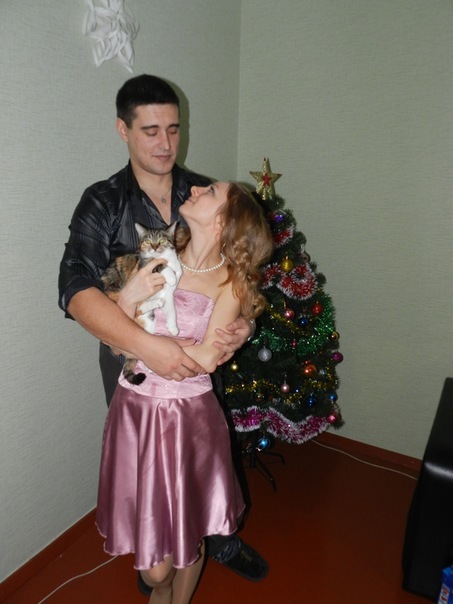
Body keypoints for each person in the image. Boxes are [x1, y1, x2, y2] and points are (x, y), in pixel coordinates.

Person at [58, 74, 268, 594]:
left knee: (199, 465)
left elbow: (239, 276)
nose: (166, 143)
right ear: (123, 130)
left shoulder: (200, 192)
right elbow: (74, 289)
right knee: (147, 467)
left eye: (173, 129)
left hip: (196, 374)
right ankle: (156, 549)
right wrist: (149, 346)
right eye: (150, 131)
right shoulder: (102, 203)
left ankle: (213, 538)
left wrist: (245, 326)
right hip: (130, 366)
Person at [96, 181, 274, 604]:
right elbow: (113, 341)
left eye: (209, 191)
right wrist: (126, 307)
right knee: (155, 570)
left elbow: (209, 357)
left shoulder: (230, 282)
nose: (194, 187)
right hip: (135, 411)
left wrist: (143, 345)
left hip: (186, 420)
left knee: (187, 532)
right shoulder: (154, 257)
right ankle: (163, 590)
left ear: (224, 221)